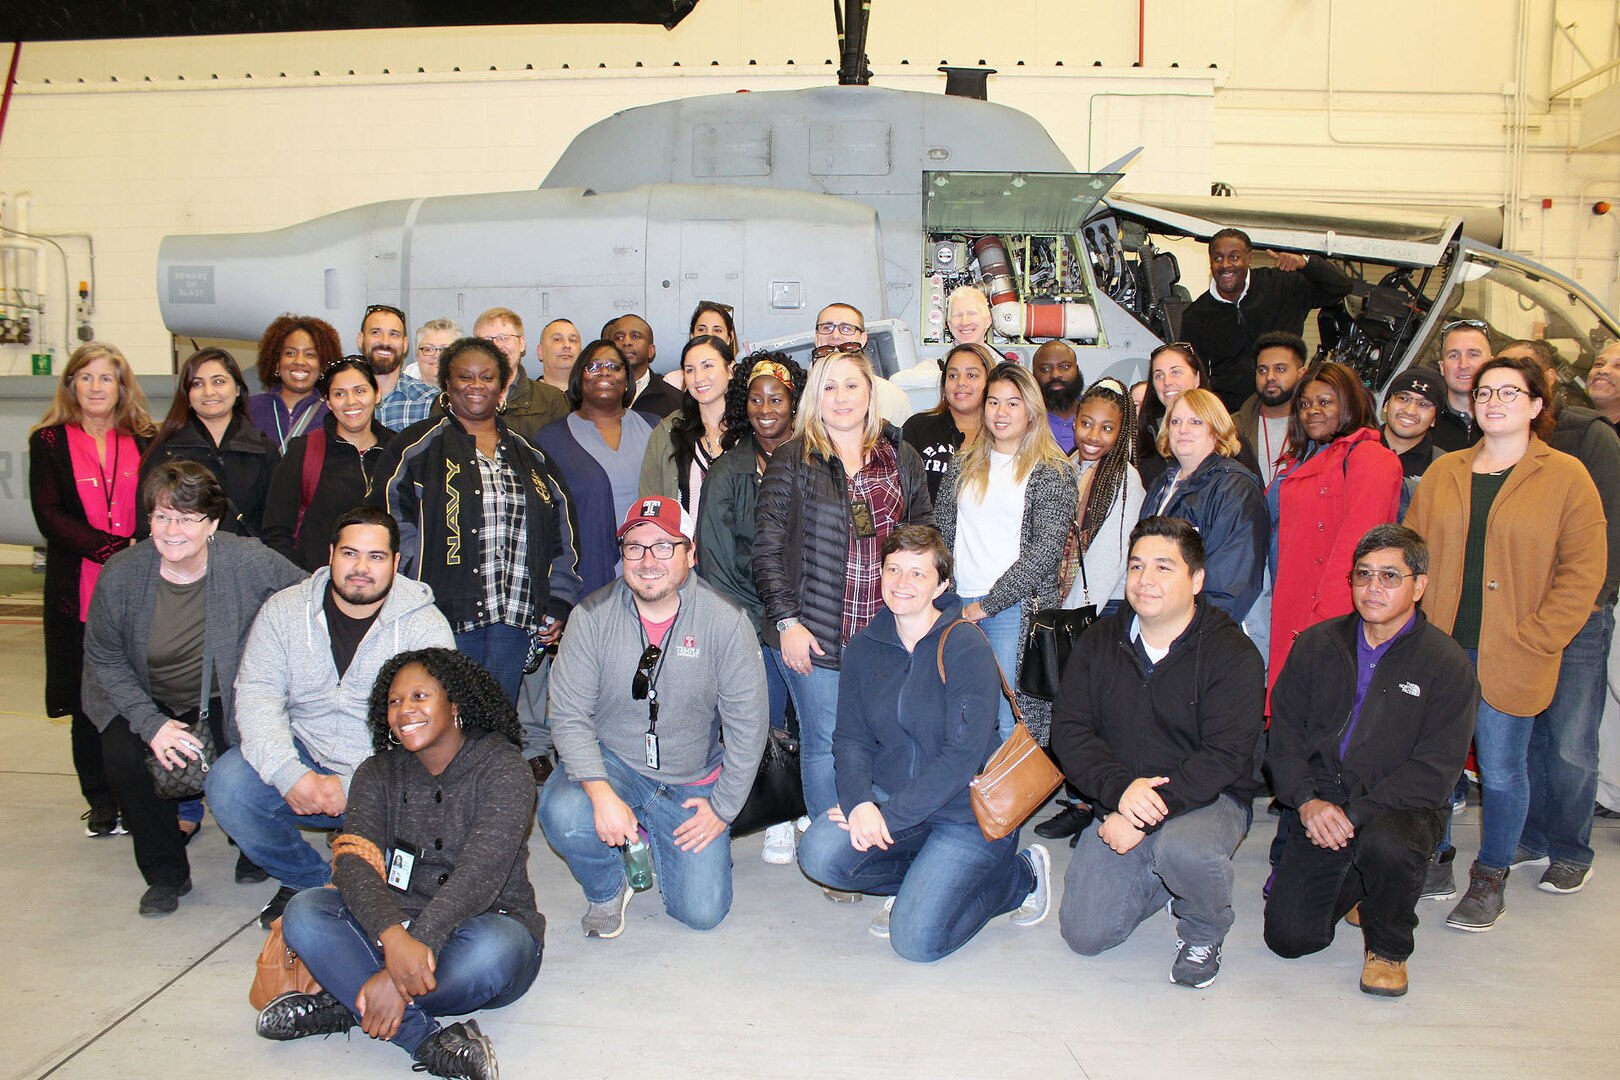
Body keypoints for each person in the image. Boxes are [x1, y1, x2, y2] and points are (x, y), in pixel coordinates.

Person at [268, 648, 543, 1080]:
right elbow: (354, 862)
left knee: (494, 953)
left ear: (455, 705)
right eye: (394, 702)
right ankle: (425, 1040)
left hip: (481, 924)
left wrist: (409, 957)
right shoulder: (376, 772)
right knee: (304, 910)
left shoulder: (502, 766)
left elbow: (481, 874)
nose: (404, 711)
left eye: (419, 696)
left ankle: (349, 999)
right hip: (389, 930)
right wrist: (394, 938)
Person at [1405, 356, 1605, 930]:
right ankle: (1436, 858)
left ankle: (1490, 876)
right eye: (1485, 391)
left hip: (1512, 651)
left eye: (1510, 393)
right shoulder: (1446, 473)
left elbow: (1583, 570)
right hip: (1442, 650)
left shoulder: (1566, 476)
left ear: (1537, 406)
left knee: (1500, 770)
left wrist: (1538, 636)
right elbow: (1413, 554)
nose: (1493, 401)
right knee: (1438, 766)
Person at [797, 525, 1053, 960]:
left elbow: (963, 757)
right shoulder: (864, 647)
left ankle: (1020, 876)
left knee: (916, 942)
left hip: (967, 814)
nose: (902, 583)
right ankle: (922, 879)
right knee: (820, 854)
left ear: (942, 584)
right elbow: (850, 739)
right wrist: (861, 802)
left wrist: (888, 818)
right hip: (894, 800)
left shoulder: (965, 644)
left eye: (918, 573)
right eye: (893, 569)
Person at [207, 506, 455, 928]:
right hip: (306, 751)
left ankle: (364, 872)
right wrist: (289, 773)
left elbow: (432, 730)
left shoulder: (424, 627)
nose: (361, 568)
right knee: (228, 787)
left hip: (387, 771)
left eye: (376, 557)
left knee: (420, 879)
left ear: (397, 562)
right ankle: (311, 880)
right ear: (331, 555)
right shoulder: (284, 611)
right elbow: (256, 694)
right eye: (350, 554)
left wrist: (355, 785)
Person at [1263, 525, 1480, 997]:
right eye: (1363, 574)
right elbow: (1284, 736)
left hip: (1400, 808)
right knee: (1289, 939)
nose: (1373, 587)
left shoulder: (1446, 664)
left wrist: (1356, 815)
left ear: (1419, 586)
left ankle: (1388, 948)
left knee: (1386, 845)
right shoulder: (1318, 645)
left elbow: (1436, 771)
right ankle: (1365, 886)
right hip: (1324, 802)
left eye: (1389, 575)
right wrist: (1306, 802)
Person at [538, 497, 769, 937]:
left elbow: (749, 728)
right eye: (635, 548)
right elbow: (568, 717)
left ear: (691, 553)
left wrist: (722, 809)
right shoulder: (591, 618)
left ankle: (650, 836)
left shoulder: (726, 623)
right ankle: (608, 886)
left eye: (664, 547)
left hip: (690, 780)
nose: (648, 561)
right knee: (566, 811)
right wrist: (601, 794)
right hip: (616, 766)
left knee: (701, 913)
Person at [82, 462, 305, 915]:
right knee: (126, 759)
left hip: (225, 696)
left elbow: (308, 593)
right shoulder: (123, 573)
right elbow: (103, 656)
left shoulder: (247, 558)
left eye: (187, 517)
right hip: (144, 697)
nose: (172, 529)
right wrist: (152, 725)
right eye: (162, 516)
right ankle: (166, 873)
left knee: (249, 758)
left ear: (213, 523)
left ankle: (253, 846)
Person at [1052, 517, 1265, 988]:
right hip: (1123, 796)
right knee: (1085, 934)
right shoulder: (1099, 641)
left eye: (1164, 567)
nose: (1145, 580)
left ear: (1197, 579)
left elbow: (1226, 754)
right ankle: (1162, 873)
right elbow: (1070, 731)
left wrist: (1143, 815)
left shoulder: (1232, 653)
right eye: (1136, 566)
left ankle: (1204, 928)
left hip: (1207, 799)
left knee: (1184, 850)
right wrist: (1119, 792)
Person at [753, 346, 932, 875]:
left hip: (884, 634)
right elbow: (766, 549)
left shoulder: (901, 457)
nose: (841, 397)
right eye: (829, 387)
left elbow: (924, 540)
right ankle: (836, 855)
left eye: (851, 385)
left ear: (870, 393)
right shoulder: (793, 458)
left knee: (883, 738)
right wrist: (787, 622)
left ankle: (880, 836)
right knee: (826, 745)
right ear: (815, 397)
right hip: (813, 633)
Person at [372, 337, 583, 703]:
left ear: (501, 387)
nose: (476, 386)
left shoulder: (530, 455)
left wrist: (558, 599)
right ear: (446, 384)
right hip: (439, 613)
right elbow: (386, 521)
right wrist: (415, 578)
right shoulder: (416, 446)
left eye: (486, 377)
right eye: (464, 377)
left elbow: (562, 531)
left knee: (496, 720)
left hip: (514, 617)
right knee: (443, 719)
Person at [29, 342, 156, 836]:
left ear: (122, 387)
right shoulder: (50, 442)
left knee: (142, 695)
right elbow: (49, 515)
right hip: (76, 590)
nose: (97, 387)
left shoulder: (145, 438)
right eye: (87, 378)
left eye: (107, 378)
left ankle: (142, 794)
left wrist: (135, 549)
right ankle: (100, 800)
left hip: (140, 591)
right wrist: (110, 549)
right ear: (71, 386)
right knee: (88, 702)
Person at [1513, 348, 1620, 894]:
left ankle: (1571, 847)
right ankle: (1529, 836)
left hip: (1580, 614)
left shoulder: (1589, 436)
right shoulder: (1498, 448)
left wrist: (1596, 599)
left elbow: (1609, 525)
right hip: (1522, 613)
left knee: (1572, 739)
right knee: (1526, 732)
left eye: (1520, 380)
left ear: (1544, 388)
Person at [696, 352, 806, 864]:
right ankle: (777, 815)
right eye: (756, 398)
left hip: (811, 617)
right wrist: (762, 625)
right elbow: (716, 563)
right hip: (748, 619)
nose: (766, 408)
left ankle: (809, 800)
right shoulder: (727, 471)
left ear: (794, 403)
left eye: (777, 399)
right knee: (762, 721)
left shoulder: (814, 460)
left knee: (812, 718)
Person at [932, 362, 1077, 741]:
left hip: (1013, 607)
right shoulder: (963, 463)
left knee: (1010, 718)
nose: (1001, 412)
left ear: (1031, 409)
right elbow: (942, 530)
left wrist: (989, 604)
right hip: (959, 599)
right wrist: (943, 593)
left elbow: (1045, 551)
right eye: (993, 402)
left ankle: (1011, 802)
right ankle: (969, 799)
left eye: (1013, 403)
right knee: (960, 711)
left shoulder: (1053, 471)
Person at [1266, 361, 1402, 693]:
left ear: (1349, 403)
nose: (1312, 411)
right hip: (1287, 605)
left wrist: (1325, 626)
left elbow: (1357, 551)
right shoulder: (1302, 460)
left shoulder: (1370, 458)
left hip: (1327, 615)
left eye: (1325, 402)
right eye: (1305, 404)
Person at [535, 340, 659, 599]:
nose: (604, 372)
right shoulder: (551, 439)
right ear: (579, 377)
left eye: (614, 366)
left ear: (627, 379)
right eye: (593, 366)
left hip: (653, 569)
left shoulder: (655, 429)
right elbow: (542, 524)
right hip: (585, 577)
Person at [1179, 229, 1351, 412]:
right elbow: (1195, 375)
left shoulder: (1283, 285)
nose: (1225, 265)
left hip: (1290, 409)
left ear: (1249, 258)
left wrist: (1306, 262)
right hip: (1235, 416)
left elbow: (1341, 287)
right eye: (1218, 258)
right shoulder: (1196, 315)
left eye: (1234, 257)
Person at [1139, 389, 1268, 623]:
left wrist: (1191, 637)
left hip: (1206, 633)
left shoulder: (1235, 488)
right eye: (1175, 421)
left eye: (1196, 421)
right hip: (1158, 623)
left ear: (1216, 430)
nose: (1182, 429)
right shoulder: (1162, 484)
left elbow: (1230, 586)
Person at [261, 357, 393, 572]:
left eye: (360, 391)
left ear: (376, 393)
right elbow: (276, 532)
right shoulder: (304, 451)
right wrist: (302, 582)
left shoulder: (399, 452)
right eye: (339, 394)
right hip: (315, 586)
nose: (351, 402)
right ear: (329, 402)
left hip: (386, 587)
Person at [142, 347, 280, 537]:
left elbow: (276, 525)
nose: (209, 392)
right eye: (197, 384)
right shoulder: (165, 451)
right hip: (181, 560)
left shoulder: (264, 450)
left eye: (218, 381)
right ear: (187, 395)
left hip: (246, 561)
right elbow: (146, 524)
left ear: (238, 389)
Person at [1136, 341, 1260, 491]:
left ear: (1197, 378)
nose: (1167, 382)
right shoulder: (1143, 445)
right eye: (1159, 376)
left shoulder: (1230, 443)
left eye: (1176, 372)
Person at [639, 334, 735, 514]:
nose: (698, 378)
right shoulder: (668, 432)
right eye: (690, 370)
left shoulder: (752, 428)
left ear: (730, 369)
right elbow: (650, 503)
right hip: (685, 540)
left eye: (707, 366)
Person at [900, 341, 992, 498]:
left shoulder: (1002, 433)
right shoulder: (918, 427)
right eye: (952, 375)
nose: (961, 382)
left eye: (971, 375)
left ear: (990, 382)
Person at [470, 307, 569, 442]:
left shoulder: (551, 399)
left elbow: (561, 454)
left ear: (521, 344)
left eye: (503, 338)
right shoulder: (456, 399)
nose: (496, 345)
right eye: (487, 339)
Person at [247, 315, 340, 452]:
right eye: (290, 353)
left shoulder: (333, 413)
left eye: (310, 354)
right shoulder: (250, 409)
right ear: (277, 363)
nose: (299, 361)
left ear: (322, 367)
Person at [810, 302, 913, 426]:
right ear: (816, 338)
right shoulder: (801, 392)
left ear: (863, 339)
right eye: (826, 328)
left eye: (846, 329)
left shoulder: (891, 396)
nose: (835, 335)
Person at [1232, 331, 1307, 487]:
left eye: (1280, 369)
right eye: (1262, 370)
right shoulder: (1232, 428)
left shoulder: (1317, 426)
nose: (1269, 377)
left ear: (1301, 374)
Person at [1379, 368, 1446, 518]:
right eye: (1403, 398)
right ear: (1386, 404)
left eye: (1423, 404)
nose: (1410, 410)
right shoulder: (1354, 450)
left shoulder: (1443, 468)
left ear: (1435, 419)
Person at [363, 304, 438, 432]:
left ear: (405, 345)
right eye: (375, 332)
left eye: (394, 334)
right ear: (360, 339)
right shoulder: (344, 400)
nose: (385, 342)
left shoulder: (429, 401)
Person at [607, 314, 684, 419]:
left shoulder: (675, 400)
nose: (626, 342)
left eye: (636, 336)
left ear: (650, 351)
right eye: (619, 337)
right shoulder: (595, 394)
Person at [1429, 319, 1490, 451]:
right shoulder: (1425, 421)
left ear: (1491, 364)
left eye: (1473, 355)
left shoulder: (1508, 422)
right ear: (1442, 367)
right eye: (1453, 355)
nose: (1463, 365)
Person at [1500, 338, 1594, 410]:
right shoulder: (1488, 423)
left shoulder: (1585, 429)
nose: (1508, 380)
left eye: (1522, 370)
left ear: (1549, 378)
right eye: (1499, 371)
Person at [1032, 339, 1083, 453]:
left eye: (1064, 367)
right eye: (1045, 369)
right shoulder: (1026, 419)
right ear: (1034, 375)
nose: (1055, 375)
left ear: (1077, 370)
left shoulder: (1093, 414)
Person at [404, 317, 461, 387]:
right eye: (429, 349)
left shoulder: (473, 391)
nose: (437, 355)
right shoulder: (399, 392)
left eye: (445, 349)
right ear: (417, 355)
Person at [535, 317, 582, 394]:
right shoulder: (525, 397)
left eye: (572, 340)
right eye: (557, 339)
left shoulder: (595, 397)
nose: (567, 345)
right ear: (540, 352)